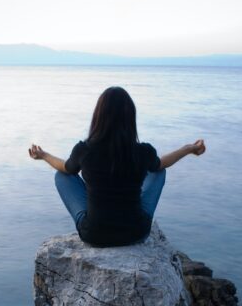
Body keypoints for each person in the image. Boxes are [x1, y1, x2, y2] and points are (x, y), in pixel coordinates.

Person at [28, 86, 205, 247]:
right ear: (130, 119)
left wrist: (43, 155)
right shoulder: (142, 151)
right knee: (157, 171)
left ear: (98, 116)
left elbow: (66, 168)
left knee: (62, 176)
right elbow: (161, 164)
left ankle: (102, 217)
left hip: (95, 236)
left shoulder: (85, 150)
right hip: (136, 233)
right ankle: (129, 212)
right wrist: (188, 149)